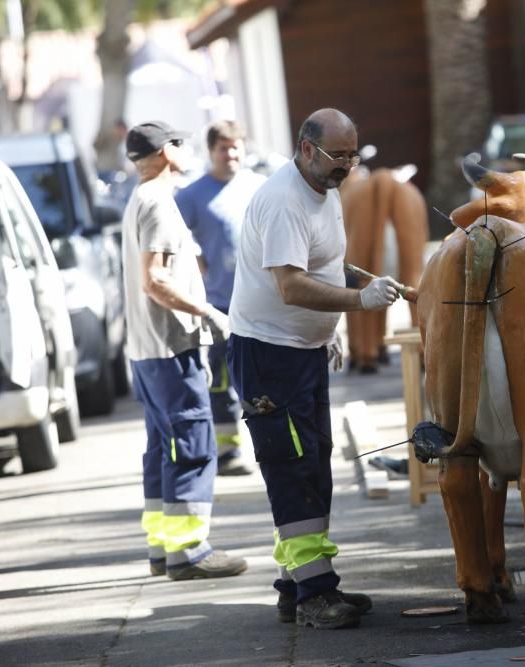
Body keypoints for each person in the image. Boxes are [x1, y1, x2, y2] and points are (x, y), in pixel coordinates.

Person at [227, 108, 402, 629]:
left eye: (353, 154)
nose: (346, 166)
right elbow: (290, 284)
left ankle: (299, 583)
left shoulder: (323, 191)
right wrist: (358, 302)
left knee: (314, 461)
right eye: (337, 156)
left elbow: (322, 264)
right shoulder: (284, 200)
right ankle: (315, 596)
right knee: (293, 468)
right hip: (269, 355)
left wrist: (331, 331)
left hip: (300, 351)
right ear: (306, 149)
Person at [121, 120, 249, 581]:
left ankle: (162, 546)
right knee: (192, 445)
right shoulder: (157, 202)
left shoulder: (140, 199)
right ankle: (190, 550)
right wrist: (208, 312)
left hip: (148, 350)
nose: (187, 150)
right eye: (181, 143)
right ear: (166, 152)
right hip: (171, 346)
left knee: (162, 448)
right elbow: (155, 280)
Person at [175, 120, 267, 476]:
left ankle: (268, 444)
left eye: (236, 147)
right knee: (222, 381)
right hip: (219, 305)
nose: (230, 154)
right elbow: (175, 242)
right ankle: (228, 453)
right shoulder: (192, 195)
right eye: (223, 148)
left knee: (262, 376)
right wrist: (197, 265)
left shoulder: (259, 188)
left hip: (260, 300)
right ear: (210, 151)